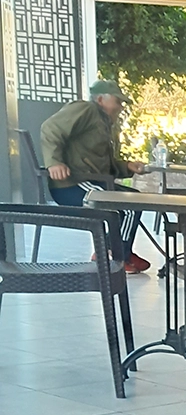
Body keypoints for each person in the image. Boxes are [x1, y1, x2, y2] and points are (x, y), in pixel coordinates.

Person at [39, 80, 149, 272]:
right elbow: (50, 128)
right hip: (73, 184)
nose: (120, 107)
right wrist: (54, 162)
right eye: (117, 101)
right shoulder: (86, 109)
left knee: (135, 199)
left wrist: (127, 166)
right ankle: (117, 256)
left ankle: (114, 251)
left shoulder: (104, 123)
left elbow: (103, 165)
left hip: (90, 181)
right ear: (100, 99)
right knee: (127, 206)